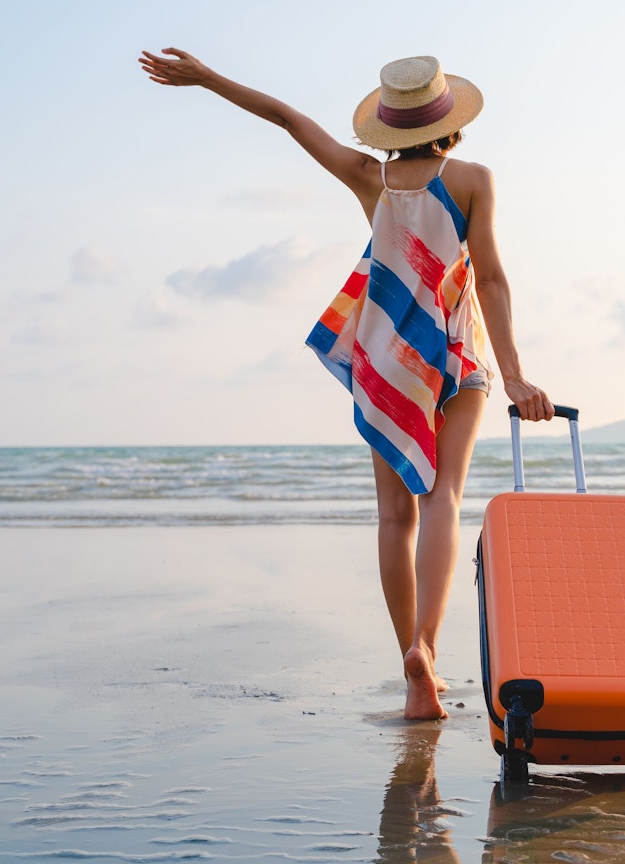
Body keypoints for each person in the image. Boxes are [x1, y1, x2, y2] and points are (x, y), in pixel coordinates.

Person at [140, 48, 553, 720]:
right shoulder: (475, 179)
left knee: (395, 515)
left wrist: (207, 78)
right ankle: (428, 644)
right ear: (447, 119)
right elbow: (494, 280)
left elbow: (285, 117)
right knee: (444, 496)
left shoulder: (369, 177)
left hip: (387, 358)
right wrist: (514, 373)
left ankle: (412, 663)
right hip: (453, 354)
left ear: (390, 126)